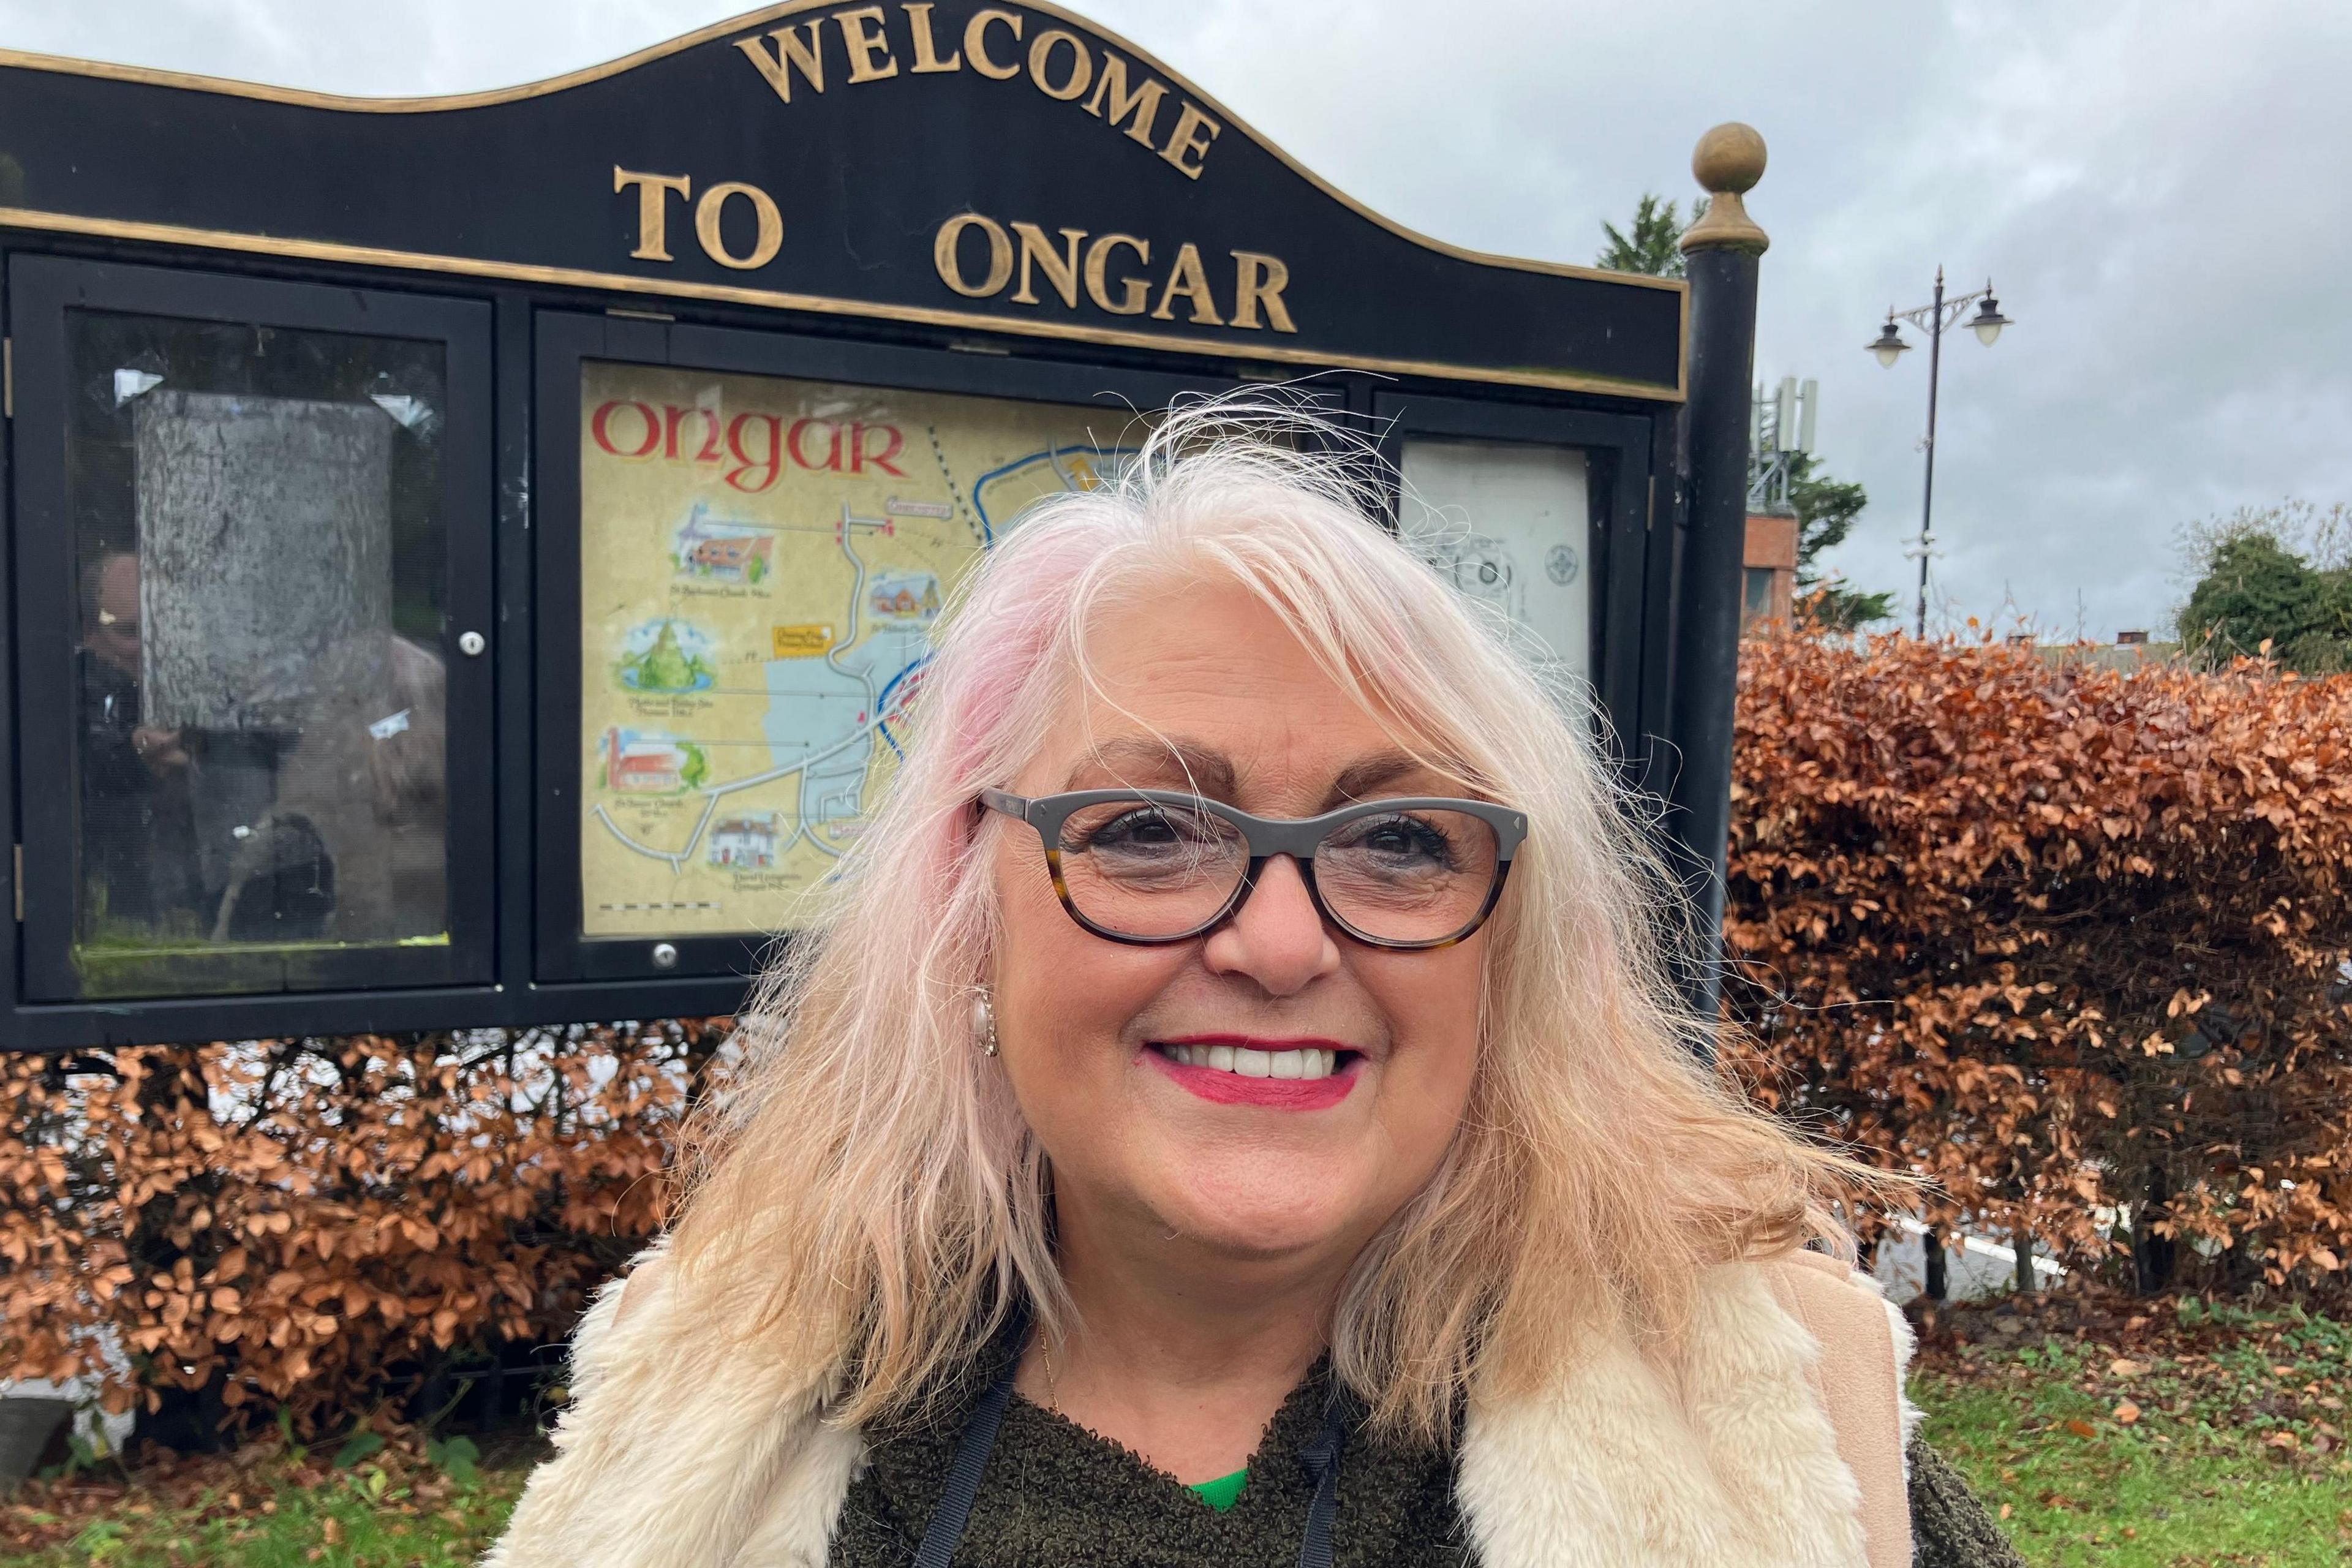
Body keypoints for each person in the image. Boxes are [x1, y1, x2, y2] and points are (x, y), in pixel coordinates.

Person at [486, 404, 2019, 1568]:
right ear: (973, 902)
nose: (1283, 946)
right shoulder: (713, 1393)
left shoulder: (1769, 1419)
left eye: (1401, 838)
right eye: (1148, 828)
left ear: (1509, 944)